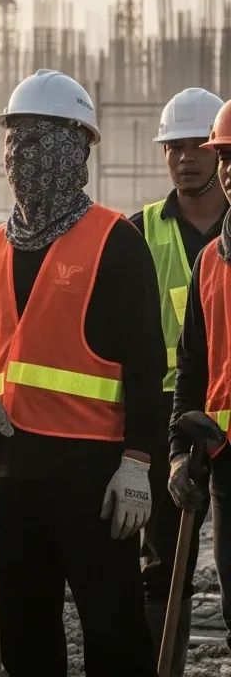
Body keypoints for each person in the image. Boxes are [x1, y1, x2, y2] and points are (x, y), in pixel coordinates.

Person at [0, 69, 165, 677]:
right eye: (13, 141)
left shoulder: (116, 240)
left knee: (112, 630)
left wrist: (137, 464)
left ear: (73, 148)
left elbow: (145, 361)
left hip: (93, 478)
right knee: (25, 632)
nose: (19, 156)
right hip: (12, 474)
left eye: (35, 141)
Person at [128, 87, 225, 673]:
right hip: (170, 410)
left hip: (228, 405)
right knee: (161, 568)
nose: (185, 157)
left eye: (197, 146)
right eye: (174, 147)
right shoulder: (138, 231)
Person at [169, 97, 231, 651]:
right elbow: (192, 368)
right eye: (227, 158)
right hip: (225, 460)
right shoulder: (211, 260)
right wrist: (176, 448)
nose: (229, 171)